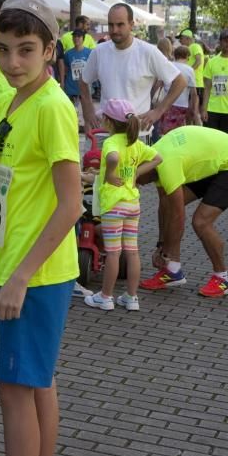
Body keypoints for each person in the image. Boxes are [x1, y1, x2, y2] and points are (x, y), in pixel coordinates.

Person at [0, 0, 82, 456]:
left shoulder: (51, 107)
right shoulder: (13, 102)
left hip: (36, 274)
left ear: (51, 50)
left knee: (14, 389)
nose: (12, 61)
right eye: (4, 49)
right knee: (36, 386)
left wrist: (20, 278)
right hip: (25, 267)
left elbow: (71, 204)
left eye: (26, 49)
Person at [138, 125, 228, 297]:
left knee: (201, 222)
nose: (138, 184)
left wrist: (164, 253)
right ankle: (173, 271)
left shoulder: (166, 166)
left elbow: (178, 217)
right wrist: (161, 244)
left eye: (137, 178)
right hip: (212, 161)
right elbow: (165, 205)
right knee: (168, 204)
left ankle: (222, 279)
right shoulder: (153, 159)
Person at [84, 99, 162, 311]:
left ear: (108, 122)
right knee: (132, 251)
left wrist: (109, 173)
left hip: (114, 203)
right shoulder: (135, 143)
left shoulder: (112, 142)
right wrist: (137, 172)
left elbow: (113, 157)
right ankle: (131, 297)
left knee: (113, 252)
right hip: (132, 203)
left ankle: (106, 297)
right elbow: (158, 158)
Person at [79, 3, 185, 131]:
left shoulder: (148, 52)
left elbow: (179, 81)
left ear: (131, 25)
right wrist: (88, 111)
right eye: (111, 25)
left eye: (120, 24)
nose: (114, 30)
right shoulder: (99, 51)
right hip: (106, 131)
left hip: (137, 133)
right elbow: (83, 81)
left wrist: (158, 111)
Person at [58, 25, 92, 103]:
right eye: (74, 37)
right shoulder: (67, 54)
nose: (76, 39)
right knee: (73, 112)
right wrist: (62, 83)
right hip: (71, 88)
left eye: (79, 37)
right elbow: (65, 69)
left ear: (83, 38)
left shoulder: (90, 53)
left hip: (85, 88)